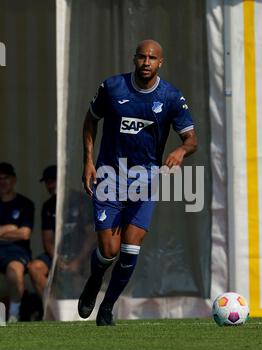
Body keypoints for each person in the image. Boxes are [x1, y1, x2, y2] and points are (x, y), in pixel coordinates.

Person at [78, 39, 197, 326]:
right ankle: (95, 280)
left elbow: (191, 139)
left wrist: (180, 151)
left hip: (146, 180)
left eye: (152, 58)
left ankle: (107, 308)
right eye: (142, 57)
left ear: (160, 63)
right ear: (134, 59)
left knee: (131, 247)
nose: (147, 62)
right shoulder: (112, 87)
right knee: (109, 251)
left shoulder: (170, 97)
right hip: (109, 176)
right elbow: (90, 121)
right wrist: (88, 161)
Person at [0, 162, 34, 322]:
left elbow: (25, 234)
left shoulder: (25, 204)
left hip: (16, 251)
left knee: (14, 270)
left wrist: (11, 231)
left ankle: (14, 315)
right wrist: (10, 227)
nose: (2, 182)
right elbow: (17, 231)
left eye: (6, 178)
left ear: (13, 180)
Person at [27, 165, 57, 315]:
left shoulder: (78, 200)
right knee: (34, 267)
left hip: (81, 255)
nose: (50, 186)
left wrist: (77, 261)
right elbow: (48, 240)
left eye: (53, 181)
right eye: (47, 182)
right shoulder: (48, 206)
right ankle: (52, 311)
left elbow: (89, 237)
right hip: (57, 256)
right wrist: (60, 262)